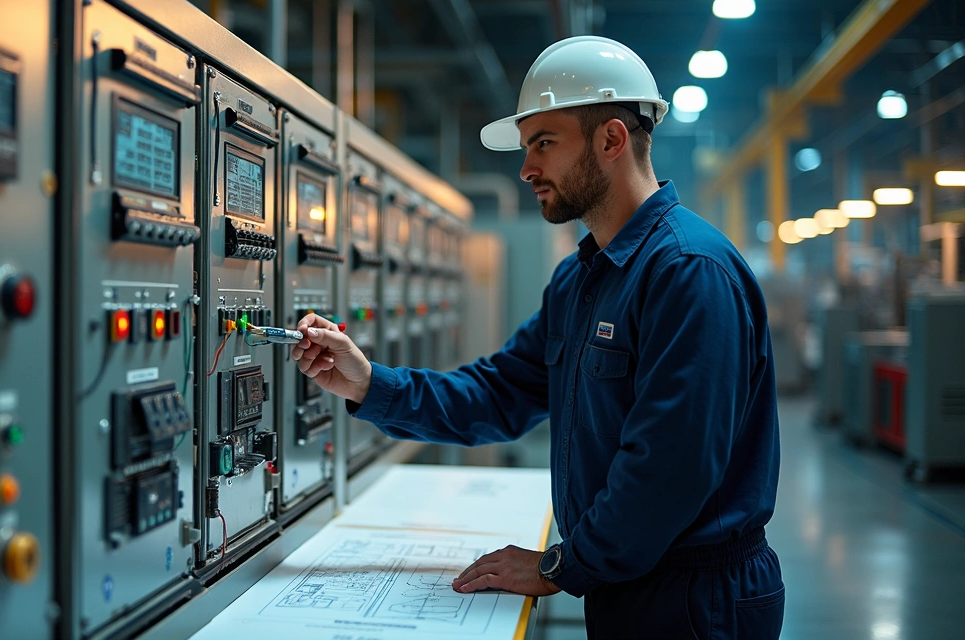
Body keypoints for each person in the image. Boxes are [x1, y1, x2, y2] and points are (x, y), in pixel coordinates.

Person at [292, 36, 784, 640]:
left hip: (695, 599)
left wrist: (561, 564)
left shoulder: (688, 272)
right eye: (527, 147)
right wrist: (371, 385)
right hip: (628, 581)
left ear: (611, 139)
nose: (526, 168)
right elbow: (502, 391)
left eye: (544, 144)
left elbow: (671, 471)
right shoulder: (582, 277)